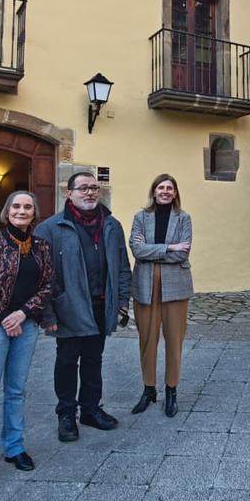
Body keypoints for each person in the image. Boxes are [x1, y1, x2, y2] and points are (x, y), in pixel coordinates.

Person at [0, 191, 57, 492]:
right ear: (7, 211)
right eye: (16, 206)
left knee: (16, 390)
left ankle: (14, 447)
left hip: (25, 325)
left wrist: (23, 314)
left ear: (34, 213)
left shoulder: (41, 246)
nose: (21, 211)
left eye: (28, 207)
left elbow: (47, 286)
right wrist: (6, 316)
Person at [33, 171, 132, 442]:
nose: (89, 192)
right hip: (68, 307)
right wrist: (48, 314)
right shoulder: (50, 228)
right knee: (67, 361)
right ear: (69, 193)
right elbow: (42, 277)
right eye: (83, 188)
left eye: (94, 188)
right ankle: (66, 414)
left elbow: (123, 266)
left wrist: (122, 302)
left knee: (94, 359)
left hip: (100, 305)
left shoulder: (112, 225)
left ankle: (90, 409)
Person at [129, 173, 194, 418]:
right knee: (147, 338)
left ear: (175, 193)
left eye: (169, 188)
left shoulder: (184, 218)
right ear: (154, 191)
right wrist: (169, 247)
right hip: (145, 284)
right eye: (161, 188)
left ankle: (171, 390)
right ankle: (148, 389)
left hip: (175, 285)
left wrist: (153, 251)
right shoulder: (140, 217)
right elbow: (137, 250)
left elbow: (183, 254)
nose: (165, 191)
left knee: (174, 340)